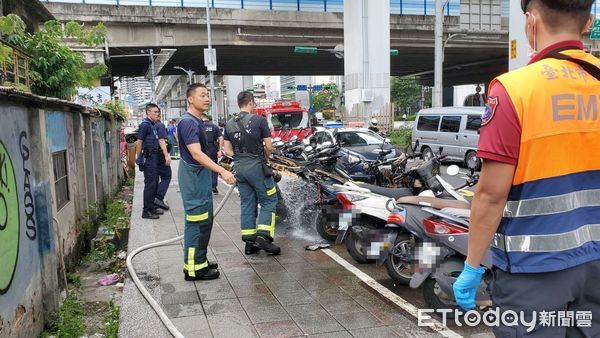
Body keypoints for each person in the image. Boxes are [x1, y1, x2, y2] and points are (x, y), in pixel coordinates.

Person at [452, 1, 600, 336]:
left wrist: (472, 267)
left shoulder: (514, 90)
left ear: (530, 22)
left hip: (534, 272)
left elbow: (490, 196)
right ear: (588, 23)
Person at [177, 83, 236, 281]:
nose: (207, 98)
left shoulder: (198, 121)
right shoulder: (188, 122)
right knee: (196, 223)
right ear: (190, 99)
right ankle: (193, 269)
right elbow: (195, 153)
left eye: (208, 95)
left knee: (205, 221)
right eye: (202, 95)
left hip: (199, 177)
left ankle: (200, 260)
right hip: (193, 179)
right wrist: (221, 171)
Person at [223, 91, 281, 256]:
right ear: (251, 103)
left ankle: (249, 243)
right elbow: (269, 147)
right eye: (254, 104)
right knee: (269, 200)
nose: (255, 107)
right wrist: (266, 158)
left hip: (240, 168)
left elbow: (227, 150)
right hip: (257, 166)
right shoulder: (259, 120)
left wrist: (240, 158)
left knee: (247, 203)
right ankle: (263, 237)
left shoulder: (229, 124)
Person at [135, 103, 171, 219]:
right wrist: (139, 157)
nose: (157, 114)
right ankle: (146, 211)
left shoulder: (153, 125)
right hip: (149, 158)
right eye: (155, 112)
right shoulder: (145, 125)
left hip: (154, 158)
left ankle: (152, 207)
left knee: (154, 183)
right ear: (148, 112)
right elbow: (139, 142)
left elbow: (160, 141)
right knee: (150, 184)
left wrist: (166, 155)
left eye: (158, 112)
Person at [200, 114, 224, 194]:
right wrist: (220, 150)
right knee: (214, 167)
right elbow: (221, 138)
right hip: (213, 148)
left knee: (203, 167)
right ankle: (213, 186)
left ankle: (205, 186)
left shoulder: (199, 126)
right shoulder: (214, 126)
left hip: (202, 149)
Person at [154, 114, 172, 211]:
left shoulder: (147, 125)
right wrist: (166, 156)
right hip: (160, 155)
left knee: (155, 178)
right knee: (167, 176)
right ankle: (159, 198)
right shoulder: (160, 126)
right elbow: (162, 140)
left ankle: (153, 199)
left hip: (152, 156)